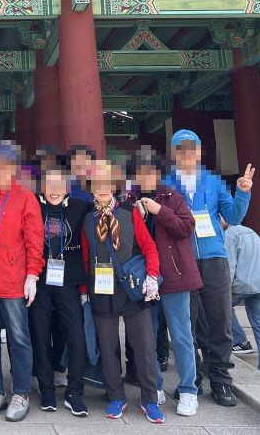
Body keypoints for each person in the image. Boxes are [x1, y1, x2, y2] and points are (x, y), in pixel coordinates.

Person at [161, 130, 254, 407]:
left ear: (199, 151)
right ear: (174, 153)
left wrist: (243, 192)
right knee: (186, 323)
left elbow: (233, 217)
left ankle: (221, 379)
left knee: (219, 321)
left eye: (192, 148)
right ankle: (193, 379)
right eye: (180, 148)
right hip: (181, 260)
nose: (186, 153)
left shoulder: (213, 182)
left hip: (214, 258)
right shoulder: (166, 183)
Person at [83, 158, 164, 424]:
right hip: (101, 286)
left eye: (106, 183)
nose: (101, 189)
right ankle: (116, 396)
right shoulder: (88, 219)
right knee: (107, 347)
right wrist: (84, 290)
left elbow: (149, 246)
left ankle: (150, 399)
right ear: (91, 188)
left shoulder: (130, 212)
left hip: (132, 286)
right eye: (96, 184)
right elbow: (86, 257)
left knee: (144, 345)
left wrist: (152, 275)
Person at [0, 141, 44, 423]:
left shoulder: (25, 197)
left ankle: (21, 392)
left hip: (13, 280)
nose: (0, 169)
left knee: (19, 338)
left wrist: (32, 275)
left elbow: (35, 241)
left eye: (6, 164)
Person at [132, 152, 202, 417]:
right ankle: (155, 388)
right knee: (147, 338)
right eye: (140, 173)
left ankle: (188, 390)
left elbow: (186, 228)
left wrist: (159, 211)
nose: (145, 177)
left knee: (181, 336)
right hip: (143, 280)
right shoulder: (130, 203)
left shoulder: (174, 199)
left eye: (150, 172)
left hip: (173, 277)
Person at [28, 165, 91, 416]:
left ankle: (74, 391)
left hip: (69, 280)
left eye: (59, 185)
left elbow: (108, 207)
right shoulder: (32, 204)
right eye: (49, 184)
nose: (54, 190)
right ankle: (46, 390)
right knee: (40, 335)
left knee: (76, 335)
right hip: (40, 280)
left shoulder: (80, 207)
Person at [222, 217, 260, 377]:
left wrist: (224, 288)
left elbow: (230, 265)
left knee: (223, 306)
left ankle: (240, 340)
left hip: (242, 283)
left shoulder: (230, 234)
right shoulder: (253, 233)